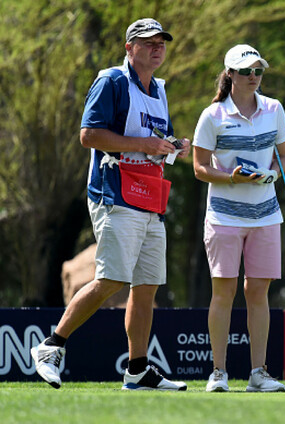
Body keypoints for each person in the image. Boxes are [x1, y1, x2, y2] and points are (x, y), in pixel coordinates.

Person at [30, 18, 191, 391]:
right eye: (147, 42)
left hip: (150, 197)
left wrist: (171, 146)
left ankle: (138, 369)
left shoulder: (159, 89)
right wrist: (145, 145)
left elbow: (153, 140)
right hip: (113, 194)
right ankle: (51, 345)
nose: (157, 48)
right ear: (129, 47)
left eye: (161, 42)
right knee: (113, 279)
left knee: (147, 285)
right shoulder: (111, 81)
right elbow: (88, 135)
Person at [192, 44, 285, 392]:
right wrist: (231, 178)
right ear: (230, 74)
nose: (253, 77)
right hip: (224, 216)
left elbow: (282, 156)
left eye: (258, 71)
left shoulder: (274, 109)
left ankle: (258, 374)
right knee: (224, 292)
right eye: (246, 71)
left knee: (258, 293)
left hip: (266, 215)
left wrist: (273, 175)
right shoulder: (212, 115)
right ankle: (218, 372)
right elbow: (199, 168)